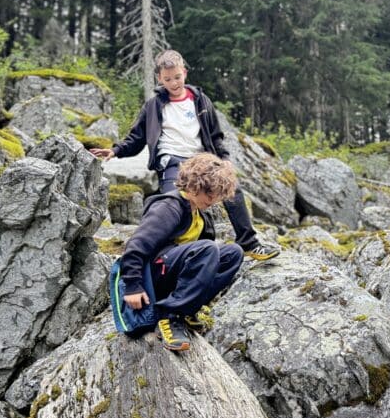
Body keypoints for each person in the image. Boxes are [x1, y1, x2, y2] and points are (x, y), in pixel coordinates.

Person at [90, 49, 279, 261]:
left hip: (202, 161)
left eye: (177, 77)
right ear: (159, 78)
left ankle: (249, 243)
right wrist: (115, 150)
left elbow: (215, 136)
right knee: (174, 202)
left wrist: (224, 160)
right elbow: (136, 138)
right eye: (168, 79)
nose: (174, 83)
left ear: (185, 73)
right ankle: (170, 252)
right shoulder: (153, 106)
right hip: (172, 162)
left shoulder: (200, 101)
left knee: (232, 188)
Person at [118, 153, 243, 351]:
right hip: (152, 276)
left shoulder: (201, 216)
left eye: (218, 194)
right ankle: (170, 316)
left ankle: (187, 309)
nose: (213, 199)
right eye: (209, 192)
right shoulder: (169, 207)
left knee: (233, 253)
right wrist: (133, 286)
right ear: (194, 185)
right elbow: (136, 246)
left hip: (173, 272)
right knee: (208, 249)